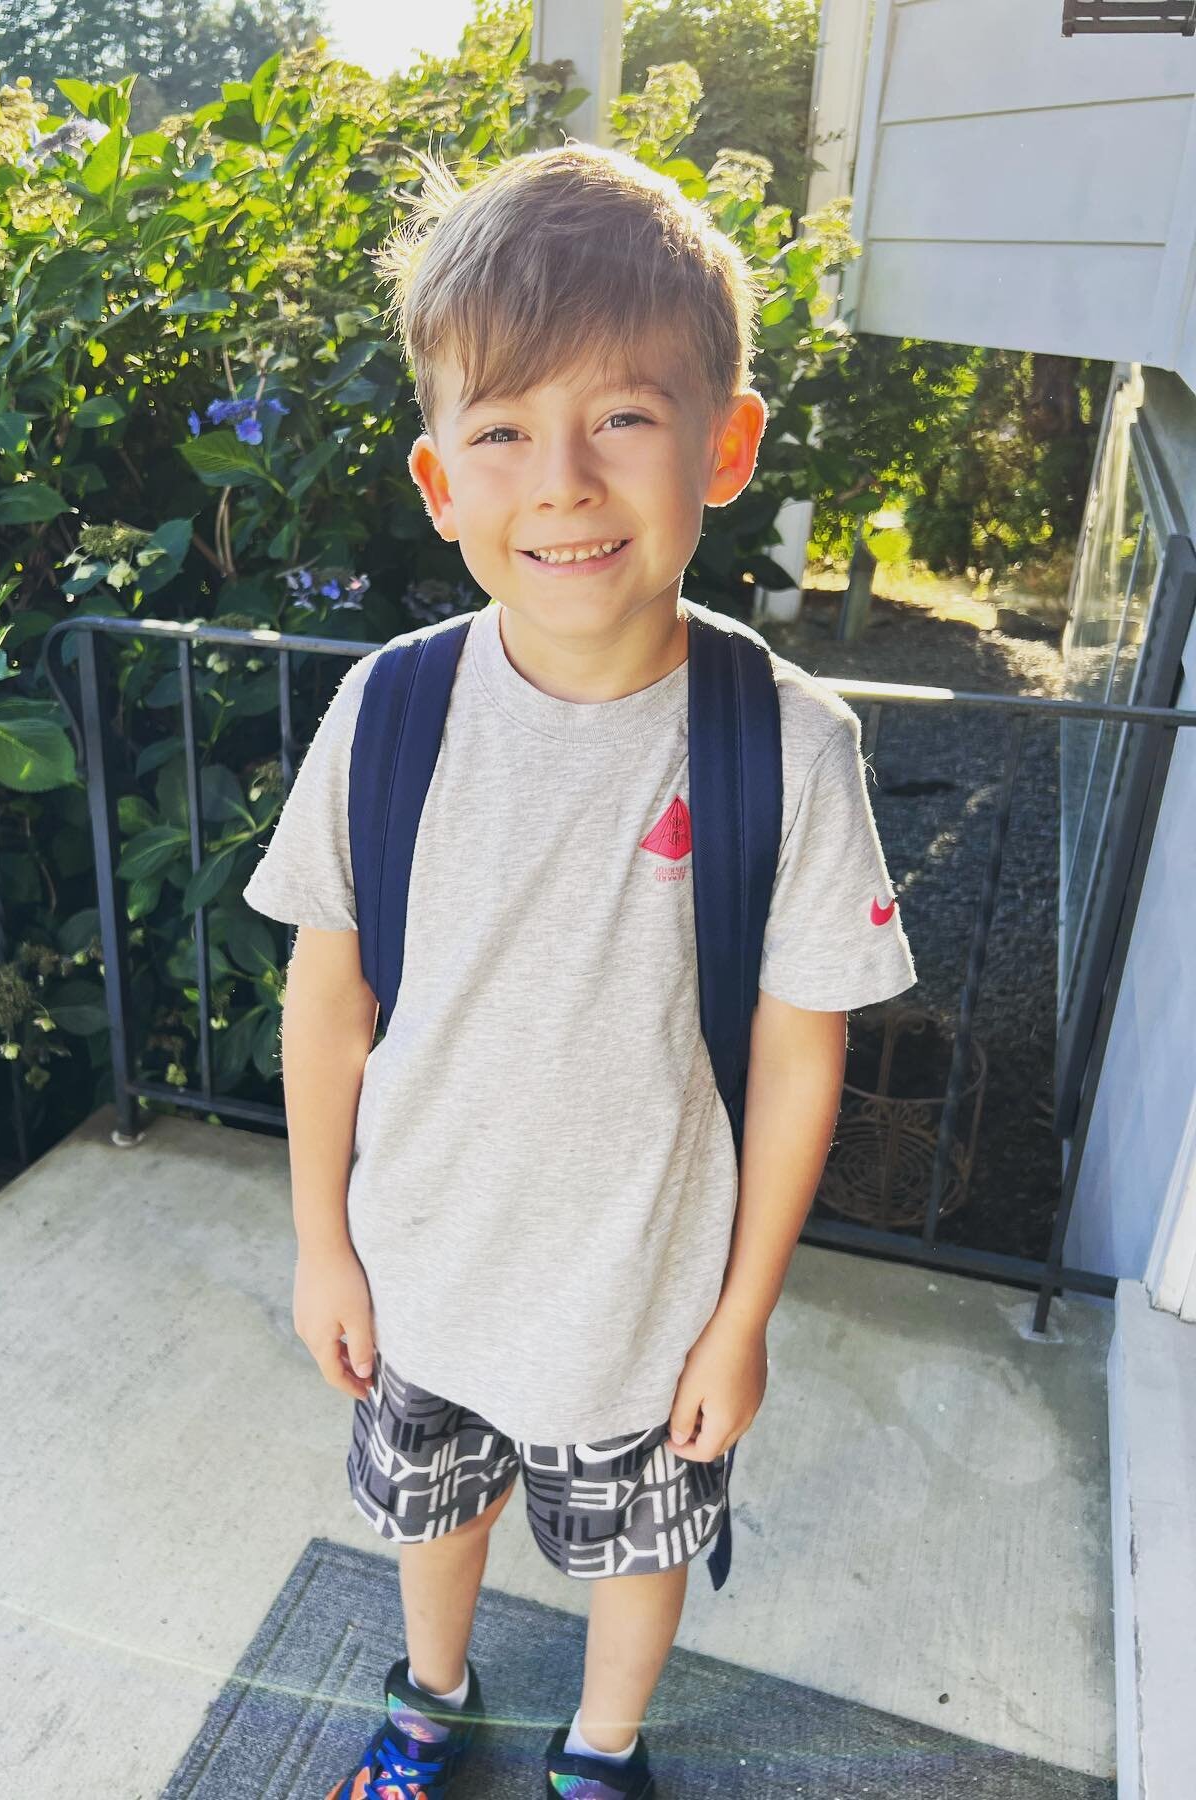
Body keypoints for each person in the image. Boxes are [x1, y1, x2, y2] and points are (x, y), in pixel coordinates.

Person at [242, 139, 918, 1800]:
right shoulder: (389, 713)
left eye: (621, 415)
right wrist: (324, 1247)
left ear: (726, 444)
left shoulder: (785, 747)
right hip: (421, 1278)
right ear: (438, 482)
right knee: (434, 1512)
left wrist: (742, 1318)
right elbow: (327, 1001)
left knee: (633, 1552)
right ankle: (431, 1700)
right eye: (502, 430)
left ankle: (603, 1752)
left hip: (646, 1304)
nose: (559, 479)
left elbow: (799, 1053)